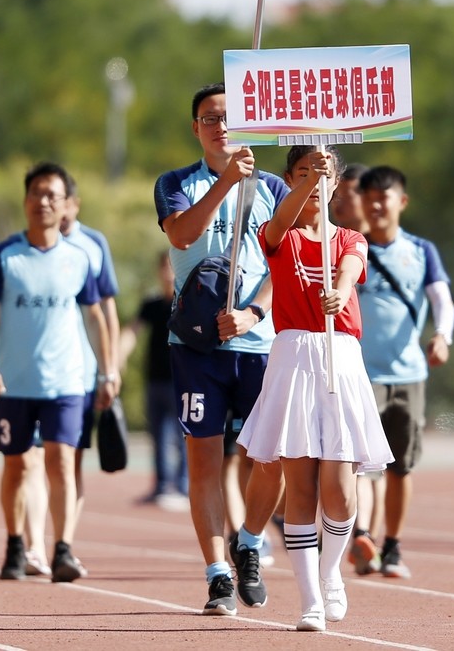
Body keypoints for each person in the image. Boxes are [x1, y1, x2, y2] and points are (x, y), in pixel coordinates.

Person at [237, 146, 389, 632]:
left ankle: (331, 574)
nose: (314, 183)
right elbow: (279, 225)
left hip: (339, 356)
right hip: (293, 357)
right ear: (288, 179)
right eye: (301, 174)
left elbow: (349, 270)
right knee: (298, 484)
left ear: (337, 182)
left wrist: (339, 294)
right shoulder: (278, 234)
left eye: (322, 175)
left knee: (339, 490)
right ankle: (309, 600)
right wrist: (308, 182)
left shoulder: (349, 237)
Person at [154, 84, 288, 616]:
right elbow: (182, 236)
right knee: (205, 460)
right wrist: (225, 182)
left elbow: (286, 260)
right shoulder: (175, 184)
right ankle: (216, 575)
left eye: (229, 116)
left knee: (269, 457)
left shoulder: (272, 187)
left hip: (259, 343)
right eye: (209, 118)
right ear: (196, 127)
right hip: (197, 346)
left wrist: (254, 312)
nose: (221, 125)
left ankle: (249, 541)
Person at [0, 161, 113, 583]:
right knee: (17, 466)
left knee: (62, 461)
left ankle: (63, 548)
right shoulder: (4, 256)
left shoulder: (78, 257)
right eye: (36, 193)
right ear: (26, 200)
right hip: (14, 381)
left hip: (66, 381)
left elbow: (95, 316)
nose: (43, 201)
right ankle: (15, 544)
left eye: (52, 194)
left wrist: (107, 372)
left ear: (66, 203)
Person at [349, 165, 453, 578]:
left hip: (409, 375)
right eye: (369, 197)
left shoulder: (422, 251)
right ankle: (362, 534)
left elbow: (442, 299)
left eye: (384, 197)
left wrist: (442, 335)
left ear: (401, 202)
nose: (375, 205)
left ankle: (392, 546)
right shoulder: (351, 247)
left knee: (401, 467)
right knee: (361, 462)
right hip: (362, 375)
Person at [55, 178, 121, 571]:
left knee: (71, 459)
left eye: (62, 199)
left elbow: (106, 309)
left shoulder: (92, 245)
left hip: (81, 370)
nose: (56, 207)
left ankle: (62, 542)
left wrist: (109, 368)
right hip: (37, 373)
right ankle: (31, 543)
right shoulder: (25, 246)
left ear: (74, 203)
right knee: (32, 461)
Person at [126, 253, 188, 508]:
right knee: (158, 435)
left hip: (181, 380)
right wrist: (116, 358)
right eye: (164, 267)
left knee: (184, 436)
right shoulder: (151, 304)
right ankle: (162, 486)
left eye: (171, 268)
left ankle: (184, 487)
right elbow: (132, 331)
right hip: (155, 380)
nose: (167, 273)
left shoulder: (186, 301)